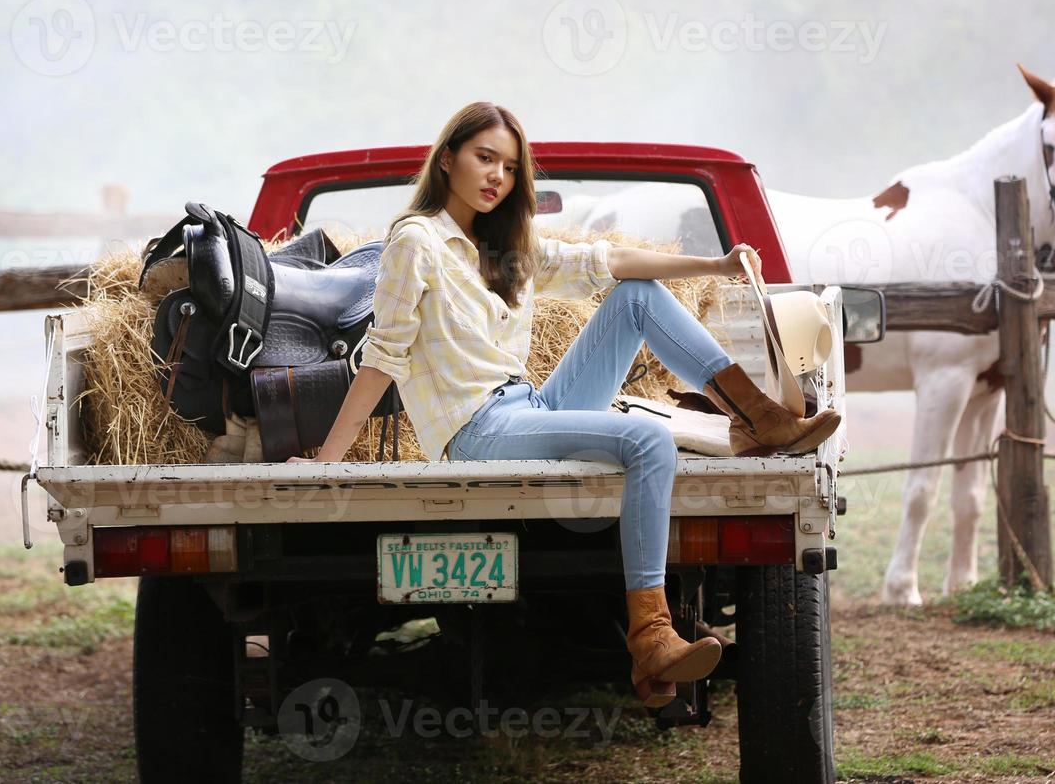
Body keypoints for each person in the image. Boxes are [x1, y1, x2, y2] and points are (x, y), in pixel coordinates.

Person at [287, 101, 842, 708]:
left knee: (637, 296)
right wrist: (327, 460)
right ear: (447, 159)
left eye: (509, 165)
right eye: (484, 157)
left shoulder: (507, 246)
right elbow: (382, 357)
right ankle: (652, 635)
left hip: (531, 407)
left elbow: (610, 263)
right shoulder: (415, 243)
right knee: (648, 440)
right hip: (477, 430)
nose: (497, 175)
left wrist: (716, 263)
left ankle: (760, 415)